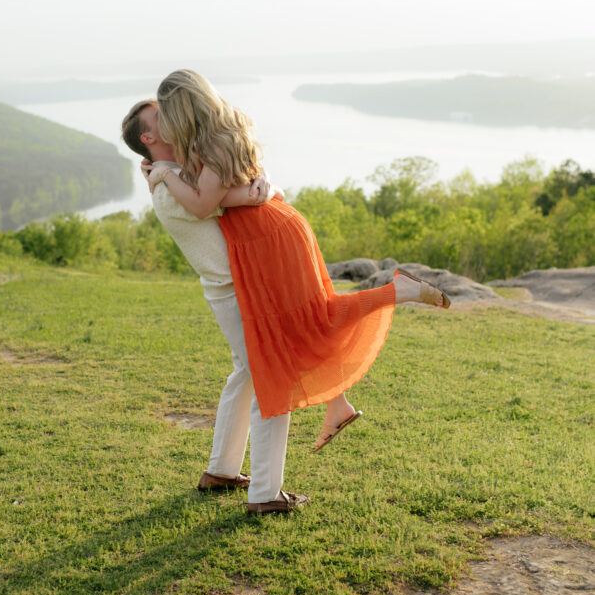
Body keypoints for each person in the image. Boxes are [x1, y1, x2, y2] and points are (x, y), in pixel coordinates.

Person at [146, 70, 450, 447]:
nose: (165, 124)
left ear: (182, 111)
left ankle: (398, 291)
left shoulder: (210, 146)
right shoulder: (225, 131)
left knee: (313, 320)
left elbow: (202, 203)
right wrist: (256, 190)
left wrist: (164, 173)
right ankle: (337, 406)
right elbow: (229, 190)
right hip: (275, 231)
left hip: (270, 238)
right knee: (304, 324)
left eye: (166, 114)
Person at [121, 99, 309, 515]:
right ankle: (265, 493)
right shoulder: (170, 185)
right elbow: (242, 197)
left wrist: (261, 180)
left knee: (246, 372)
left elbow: (242, 186)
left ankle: (221, 471)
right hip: (235, 289)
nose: (172, 118)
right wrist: (264, 185)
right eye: (160, 119)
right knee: (268, 376)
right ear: (149, 138)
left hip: (233, 286)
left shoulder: (173, 173)